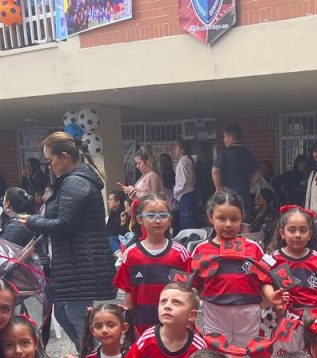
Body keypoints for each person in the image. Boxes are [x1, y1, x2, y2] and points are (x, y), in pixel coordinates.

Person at [14, 131, 116, 346]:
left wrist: (33, 221)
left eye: (50, 160)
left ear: (64, 157)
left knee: (80, 321)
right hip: (76, 261)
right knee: (64, 314)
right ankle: (87, 356)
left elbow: (65, 224)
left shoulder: (75, 183)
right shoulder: (74, 181)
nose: (49, 166)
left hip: (80, 263)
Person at [190, 190, 284, 358]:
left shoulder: (253, 248)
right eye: (221, 218)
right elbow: (193, 284)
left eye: (234, 219)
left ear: (242, 218)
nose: (228, 224)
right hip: (215, 312)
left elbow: (264, 279)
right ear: (210, 217)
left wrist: (271, 296)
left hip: (248, 312)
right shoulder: (201, 249)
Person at [113, 194, 191, 335]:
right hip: (141, 325)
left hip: (173, 326)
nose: (158, 220)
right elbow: (128, 293)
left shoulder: (180, 253)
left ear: (170, 219)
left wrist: (187, 323)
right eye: (151, 215)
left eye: (163, 215)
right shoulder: (131, 254)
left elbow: (186, 292)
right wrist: (128, 324)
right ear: (139, 219)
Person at [267, 206, 317, 350]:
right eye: (292, 230)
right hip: (286, 316)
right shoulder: (274, 260)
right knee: (285, 356)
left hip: (314, 317)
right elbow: (265, 289)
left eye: (303, 230)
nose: (297, 235)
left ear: (310, 234)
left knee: (312, 354)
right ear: (282, 233)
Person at [212, 124, 261, 220]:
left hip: (228, 195)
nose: (224, 139)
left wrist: (218, 189)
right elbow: (258, 171)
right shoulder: (247, 153)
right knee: (244, 221)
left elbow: (215, 171)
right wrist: (249, 185)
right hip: (244, 194)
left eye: (225, 136)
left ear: (230, 136)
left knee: (229, 222)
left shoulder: (224, 153)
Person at [172, 140, 198, 230]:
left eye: (177, 148)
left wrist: (175, 191)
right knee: (191, 221)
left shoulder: (182, 162)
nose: (175, 150)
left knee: (186, 223)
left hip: (185, 194)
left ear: (182, 150)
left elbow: (182, 181)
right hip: (190, 192)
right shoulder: (189, 160)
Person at [105, 189, 128, 254]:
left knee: (111, 238)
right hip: (114, 240)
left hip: (121, 240)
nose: (108, 202)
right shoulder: (113, 212)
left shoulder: (122, 213)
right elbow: (108, 229)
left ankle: (119, 256)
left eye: (110, 200)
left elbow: (116, 232)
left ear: (117, 202)